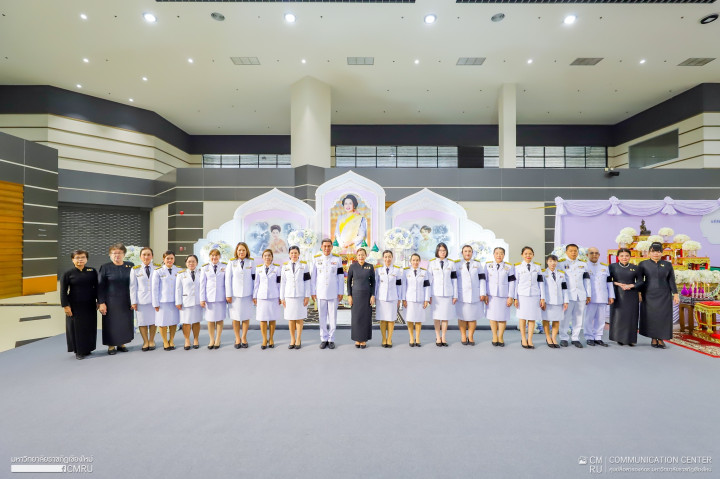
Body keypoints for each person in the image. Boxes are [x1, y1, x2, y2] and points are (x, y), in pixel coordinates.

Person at [638, 242, 679, 349]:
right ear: (649, 252)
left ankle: (661, 339)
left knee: (663, 317)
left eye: (658, 251)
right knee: (651, 316)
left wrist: (675, 294)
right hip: (648, 294)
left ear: (662, 253)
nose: (656, 253)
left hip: (664, 295)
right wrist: (639, 293)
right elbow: (639, 280)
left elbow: (671, 280)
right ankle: (653, 338)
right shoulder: (643, 264)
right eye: (653, 251)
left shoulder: (667, 265)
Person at [60, 250, 98, 360]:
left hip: (90, 304)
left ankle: (88, 348)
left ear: (86, 259)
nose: (80, 259)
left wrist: (99, 301)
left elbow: (97, 287)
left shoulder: (92, 271)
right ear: (73, 259)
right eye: (77, 257)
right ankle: (79, 351)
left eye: (83, 257)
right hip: (75, 305)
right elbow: (63, 291)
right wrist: (66, 306)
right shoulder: (68, 273)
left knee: (89, 326)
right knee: (77, 328)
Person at [97, 243, 134, 355]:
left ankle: (121, 343)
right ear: (110, 255)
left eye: (119, 253)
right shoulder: (105, 267)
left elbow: (134, 284)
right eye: (114, 253)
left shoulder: (130, 266)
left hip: (126, 300)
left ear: (124, 254)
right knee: (111, 323)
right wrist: (101, 302)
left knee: (124, 322)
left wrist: (134, 300)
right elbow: (100, 286)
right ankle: (111, 345)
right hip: (111, 301)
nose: (117, 255)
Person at [311, 238, 345, 349]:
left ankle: (331, 339)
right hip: (320, 292)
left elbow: (340, 277)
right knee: (322, 317)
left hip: (333, 292)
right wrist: (313, 292)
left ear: (332, 247)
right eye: (325, 246)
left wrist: (340, 291)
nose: (327, 248)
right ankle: (323, 338)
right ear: (321, 247)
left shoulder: (337, 259)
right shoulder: (316, 259)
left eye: (329, 246)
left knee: (332, 317)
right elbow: (313, 277)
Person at [557, 244, 591, 348]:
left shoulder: (583, 264)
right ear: (566, 252)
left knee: (578, 317)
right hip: (568, 295)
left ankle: (575, 338)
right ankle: (563, 338)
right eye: (571, 251)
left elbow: (587, 281)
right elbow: (560, 282)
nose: (573, 253)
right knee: (565, 317)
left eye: (575, 251)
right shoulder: (561, 264)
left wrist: (588, 294)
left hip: (581, 294)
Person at [608, 248, 641, 346]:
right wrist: (618, 284)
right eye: (622, 256)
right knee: (619, 316)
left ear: (630, 257)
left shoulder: (635, 268)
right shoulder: (612, 267)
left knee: (631, 316)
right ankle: (619, 338)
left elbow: (641, 281)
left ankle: (630, 339)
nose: (624, 258)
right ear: (618, 257)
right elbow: (607, 280)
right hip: (617, 293)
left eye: (627, 256)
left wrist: (632, 285)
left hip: (631, 294)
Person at [280, 245, 311, 349]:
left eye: (295, 253)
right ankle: (292, 339)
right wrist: (282, 297)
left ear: (299, 254)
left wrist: (307, 296)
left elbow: (307, 281)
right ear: (289, 254)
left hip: (300, 295)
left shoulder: (304, 266)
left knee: (299, 318)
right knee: (291, 318)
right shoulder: (285, 266)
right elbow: (283, 283)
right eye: (292, 253)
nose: (293, 255)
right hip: (289, 296)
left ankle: (298, 338)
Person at [514, 246, 545, 349]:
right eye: (526, 254)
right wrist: (515, 298)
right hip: (522, 295)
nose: (528, 255)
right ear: (522, 255)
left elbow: (541, 282)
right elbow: (515, 283)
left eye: (530, 253)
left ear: (533, 255)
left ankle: (530, 339)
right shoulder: (517, 267)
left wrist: (542, 297)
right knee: (522, 317)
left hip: (534, 295)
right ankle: (523, 338)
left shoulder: (537, 267)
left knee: (532, 318)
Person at [484, 247, 516, 347]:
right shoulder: (488, 266)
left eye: (501, 253)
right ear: (493, 254)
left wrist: (510, 296)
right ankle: (494, 336)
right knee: (492, 317)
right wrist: (485, 294)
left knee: (502, 317)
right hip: (491, 295)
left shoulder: (509, 266)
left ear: (504, 255)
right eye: (497, 253)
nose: (499, 255)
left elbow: (512, 282)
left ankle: (501, 336)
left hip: (504, 295)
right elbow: (484, 281)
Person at [456, 244, 487, 346]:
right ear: (462, 253)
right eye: (465, 251)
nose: (467, 253)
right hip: (461, 295)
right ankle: (463, 336)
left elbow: (482, 279)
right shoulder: (457, 264)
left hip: (475, 294)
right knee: (462, 317)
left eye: (469, 251)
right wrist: (454, 294)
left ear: (472, 253)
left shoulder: (477, 264)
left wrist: (482, 292)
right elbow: (454, 281)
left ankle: (471, 336)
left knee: (473, 317)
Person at [583, 247, 615, 347]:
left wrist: (611, 295)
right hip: (590, 297)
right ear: (587, 255)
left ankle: (598, 337)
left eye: (596, 253)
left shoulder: (604, 267)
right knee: (588, 318)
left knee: (601, 319)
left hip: (602, 296)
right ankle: (589, 337)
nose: (594, 255)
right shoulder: (584, 266)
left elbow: (609, 282)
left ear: (599, 255)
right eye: (592, 253)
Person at [225, 242, 255, 349]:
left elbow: (254, 279)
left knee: (246, 317)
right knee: (236, 317)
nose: (241, 252)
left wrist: (254, 295)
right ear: (236, 251)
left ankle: (244, 337)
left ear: (246, 251)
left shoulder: (251, 262)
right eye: (239, 250)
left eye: (243, 250)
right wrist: (228, 295)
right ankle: (237, 338)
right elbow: (227, 280)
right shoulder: (231, 262)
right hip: (235, 295)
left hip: (247, 294)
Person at [429, 242, 457, 346]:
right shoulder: (432, 263)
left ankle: (443, 337)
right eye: (440, 250)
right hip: (435, 294)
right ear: (437, 251)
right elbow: (429, 281)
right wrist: (428, 296)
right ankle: (437, 337)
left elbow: (454, 280)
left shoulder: (451, 263)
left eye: (444, 250)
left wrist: (455, 295)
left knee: (445, 316)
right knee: (436, 317)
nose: (442, 252)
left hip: (447, 294)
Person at [347, 248, 376, 348]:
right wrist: (349, 295)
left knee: (365, 317)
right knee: (356, 317)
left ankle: (363, 339)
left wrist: (373, 295)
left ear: (366, 255)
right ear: (356, 256)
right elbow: (348, 282)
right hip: (355, 295)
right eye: (359, 255)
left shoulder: (370, 267)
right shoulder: (352, 267)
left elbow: (373, 282)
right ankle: (357, 339)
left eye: (363, 255)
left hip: (367, 296)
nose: (361, 257)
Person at [253, 249, 282, 349]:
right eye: (265, 255)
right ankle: (264, 339)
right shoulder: (258, 269)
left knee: (272, 318)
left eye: (269, 255)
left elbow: (279, 284)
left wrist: (280, 297)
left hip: (273, 296)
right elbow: (256, 284)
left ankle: (271, 338)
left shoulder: (277, 269)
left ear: (272, 257)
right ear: (262, 257)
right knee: (262, 319)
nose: (267, 257)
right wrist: (254, 296)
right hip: (261, 297)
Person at [130, 247, 157, 351]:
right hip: (141, 300)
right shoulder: (135, 269)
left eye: (148, 254)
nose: (146, 257)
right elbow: (133, 287)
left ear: (152, 256)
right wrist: (134, 302)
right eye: (144, 255)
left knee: (153, 321)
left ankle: (152, 340)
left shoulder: (157, 268)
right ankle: (145, 341)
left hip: (154, 300)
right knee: (142, 321)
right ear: (140, 256)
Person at [200, 248, 227, 349]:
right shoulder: (205, 268)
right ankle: (211, 339)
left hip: (221, 297)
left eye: (216, 255)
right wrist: (202, 298)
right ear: (209, 257)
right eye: (212, 255)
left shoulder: (225, 266)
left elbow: (227, 283)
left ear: (219, 256)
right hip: (209, 297)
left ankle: (218, 339)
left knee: (219, 319)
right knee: (210, 320)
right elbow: (202, 284)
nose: (214, 257)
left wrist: (228, 295)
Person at [152, 251, 180, 351]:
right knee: (162, 322)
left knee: (173, 321)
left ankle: (171, 340)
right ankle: (165, 341)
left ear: (174, 259)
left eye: (171, 258)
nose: (169, 260)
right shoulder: (158, 271)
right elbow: (154, 289)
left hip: (175, 301)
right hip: (162, 301)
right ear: (163, 259)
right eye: (167, 258)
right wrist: (155, 303)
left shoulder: (179, 270)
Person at [401, 253, 430, 347]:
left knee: (418, 319)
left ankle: (417, 338)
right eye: (413, 260)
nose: (415, 262)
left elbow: (427, 287)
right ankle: (411, 338)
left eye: (417, 260)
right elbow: (403, 286)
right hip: (409, 299)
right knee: (409, 319)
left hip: (420, 299)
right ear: (410, 261)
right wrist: (403, 299)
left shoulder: (424, 272)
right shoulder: (406, 272)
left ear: (420, 261)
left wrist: (426, 299)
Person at [375, 250, 403, 348]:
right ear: (383, 258)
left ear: (392, 258)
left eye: (389, 257)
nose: (388, 259)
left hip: (392, 298)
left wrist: (399, 298)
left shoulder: (396, 270)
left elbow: (399, 286)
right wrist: (374, 296)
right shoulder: (378, 270)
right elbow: (376, 284)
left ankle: (389, 339)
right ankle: (384, 339)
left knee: (391, 319)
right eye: (386, 257)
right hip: (381, 298)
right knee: (382, 319)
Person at [541, 254, 568, 348]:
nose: (553, 263)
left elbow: (564, 288)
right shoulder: (543, 273)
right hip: (548, 300)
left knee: (556, 320)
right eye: (550, 261)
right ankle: (548, 337)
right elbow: (542, 288)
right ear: (547, 262)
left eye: (554, 261)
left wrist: (566, 301)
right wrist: (543, 300)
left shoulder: (561, 274)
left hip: (559, 300)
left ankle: (554, 338)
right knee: (546, 319)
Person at [176, 255, 202, 350]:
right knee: (186, 322)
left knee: (196, 321)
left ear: (197, 263)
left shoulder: (201, 273)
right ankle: (187, 340)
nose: (191, 263)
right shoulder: (181, 274)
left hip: (197, 301)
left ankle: (196, 339)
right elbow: (178, 289)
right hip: (185, 301)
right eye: (189, 261)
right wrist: (178, 302)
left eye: (193, 261)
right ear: (186, 263)